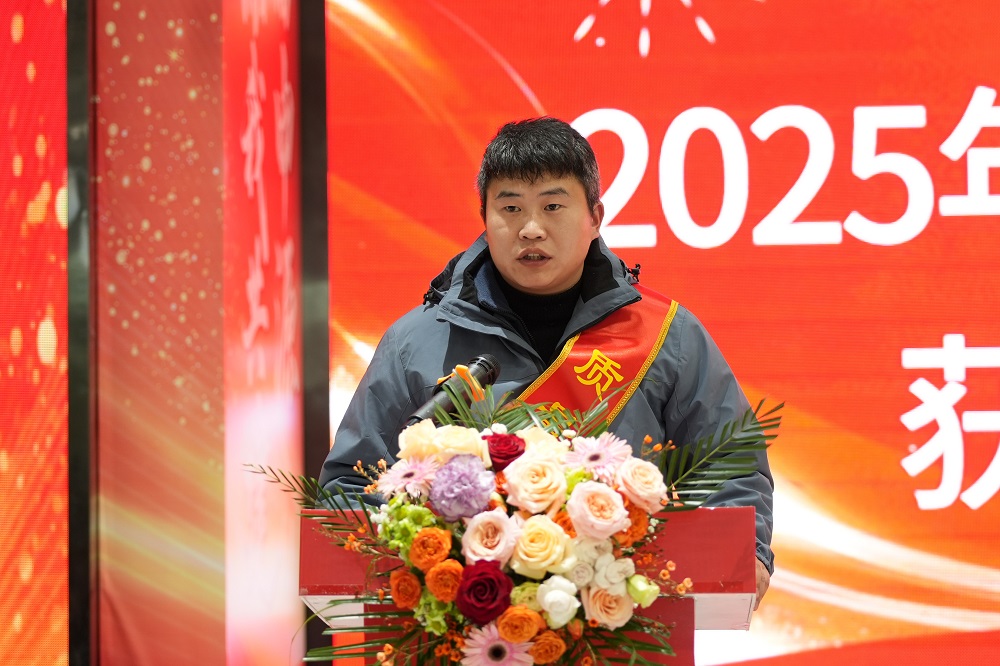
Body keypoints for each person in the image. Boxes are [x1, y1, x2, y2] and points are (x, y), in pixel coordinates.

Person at [319, 117, 774, 607]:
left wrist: (745, 552)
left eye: (553, 206)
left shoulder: (666, 335)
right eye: (510, 207)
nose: (531, 229)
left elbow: (728, 464)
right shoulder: (417, 341)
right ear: (485, 217)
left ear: (595, 216)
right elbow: (352, 483)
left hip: (623, 617)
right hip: (466, 622)